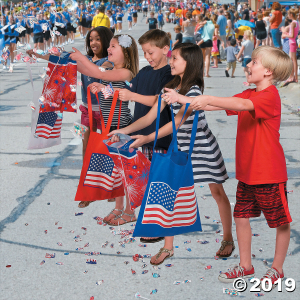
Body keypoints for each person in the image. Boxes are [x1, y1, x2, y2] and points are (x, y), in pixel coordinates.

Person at [113, 43, 234, 261]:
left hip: (202, 148)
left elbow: (177, 122)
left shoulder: (193, 91)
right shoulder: (170, 88)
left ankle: (228, 237)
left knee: (217, 193)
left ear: (190, 63)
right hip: (180, 147)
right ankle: (168, 247)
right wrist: (124, 131)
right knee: (171, 194)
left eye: (175, 58)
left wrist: (149, 137)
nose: (171, 62)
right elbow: (149, 117)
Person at [186, 46, 293, 288]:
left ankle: (277, 268)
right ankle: (246, 265)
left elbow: (240, 106)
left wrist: (207, 98)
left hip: (269, 173)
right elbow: (220, 105)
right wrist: (183, 99)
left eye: (254, 62)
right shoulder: (250, 93)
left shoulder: (269, 96)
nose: (249, 65)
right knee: (241, 216)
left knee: (280, 222)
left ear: (268, 71)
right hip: (247, 173)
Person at [102, 29, 174, 229]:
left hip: (158, 136)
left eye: (151, 52)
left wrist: (132, 97)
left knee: (156, 181)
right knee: (136, 178)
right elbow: (128, 88)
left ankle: (156, 222)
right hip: (139, 132)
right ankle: (133, 213)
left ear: (165, 50)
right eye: (145, 53)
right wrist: (105, 89)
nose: (147, 57)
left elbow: (157, 101)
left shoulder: (168, 74)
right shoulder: (144, 72)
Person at [69, 34, 138, 214]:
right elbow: (91, 72)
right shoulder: (113, 70)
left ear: (126, 52)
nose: (109, 49)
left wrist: (82, 58)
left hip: (121, 125)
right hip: (110, 124)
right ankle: (118, 207)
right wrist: (57, 61)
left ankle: (129, 211)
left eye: (113, 46)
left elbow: (101, 75)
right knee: (117, 168)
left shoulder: (126, 71)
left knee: (124, 170)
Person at [281, 8, 299, 84]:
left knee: (293, 60)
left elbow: (291, 35)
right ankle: (293, 77)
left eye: (288, 14)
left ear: (291, 15)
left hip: (292, 42)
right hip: (293, 42)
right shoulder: (297, 23)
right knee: (293, 60)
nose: (288, 16)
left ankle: (293, 77)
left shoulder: (292, 23)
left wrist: (284, 33)